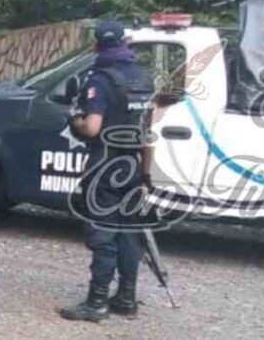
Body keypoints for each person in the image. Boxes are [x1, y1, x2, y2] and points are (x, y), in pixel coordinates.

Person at [60, 21, 151, 323]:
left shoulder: (100, 79)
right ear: (125, 42)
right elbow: (148, 134)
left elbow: (92, 128)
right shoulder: (143, 78)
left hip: (104, 167)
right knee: (129, 234)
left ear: (97, 45)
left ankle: (97, 303)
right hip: (133, 166)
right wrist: (146, 175)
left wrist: (75, 120)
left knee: (103, 235)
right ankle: (126, 298)